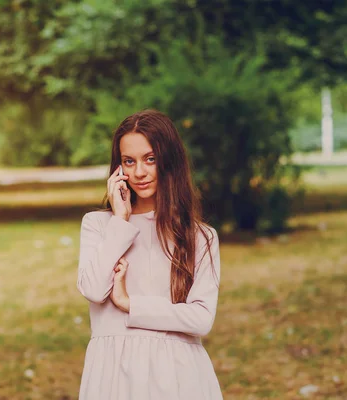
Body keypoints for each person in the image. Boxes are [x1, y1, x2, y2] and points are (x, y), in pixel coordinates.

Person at [76, 109, 223, 399]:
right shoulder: (98, 225)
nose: (139, 172)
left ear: (169, 162)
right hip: (113, 374)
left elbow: (201, 318)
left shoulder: (200, 237)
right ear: (118, 168)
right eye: (129, 161)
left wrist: (130, 304)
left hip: (178, 375)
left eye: (150, 159)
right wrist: (120, 220)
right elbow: (93, 289)